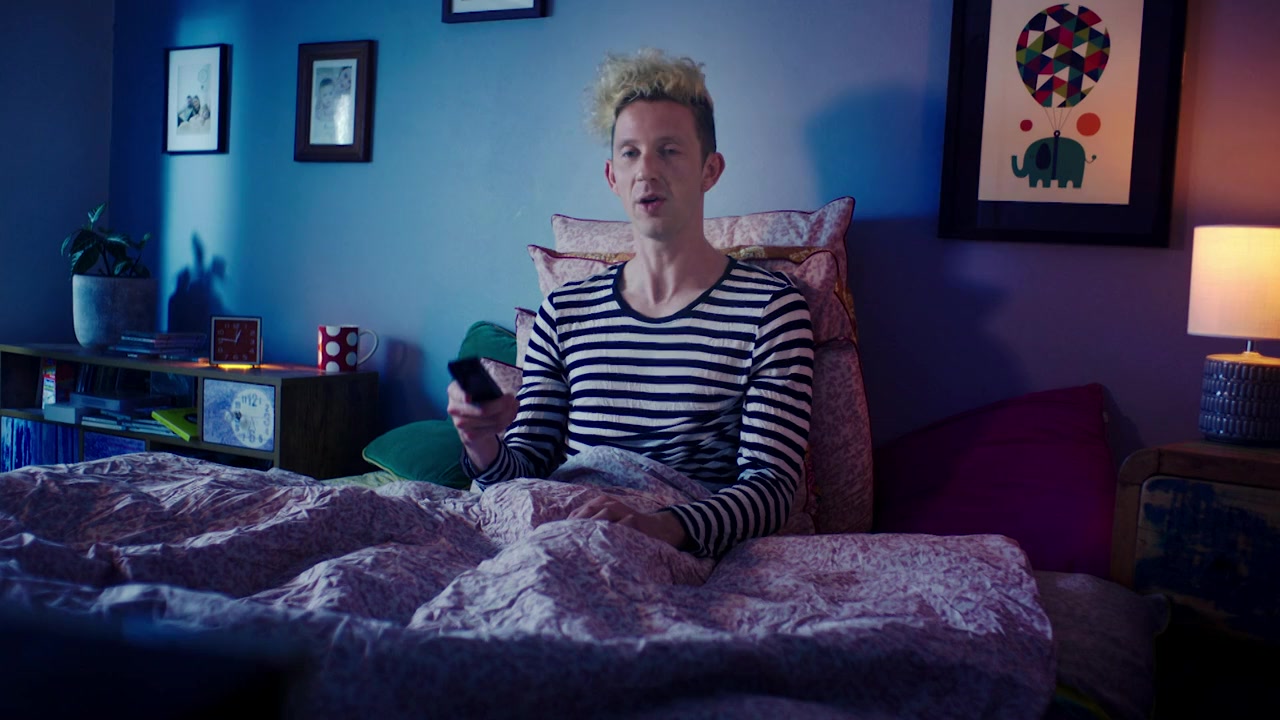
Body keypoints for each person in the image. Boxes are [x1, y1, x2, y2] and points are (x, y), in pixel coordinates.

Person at [447, 49, 814, 558]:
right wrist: (480, 441)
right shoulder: (564, 311)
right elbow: (522, 473)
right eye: (630, 153)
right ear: (611, 176)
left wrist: (659, 528)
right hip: (558, 525)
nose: (646, 171)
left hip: (668, 541)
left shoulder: (771, 310)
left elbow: (771, 489)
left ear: (710, 170)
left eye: (669, 151)